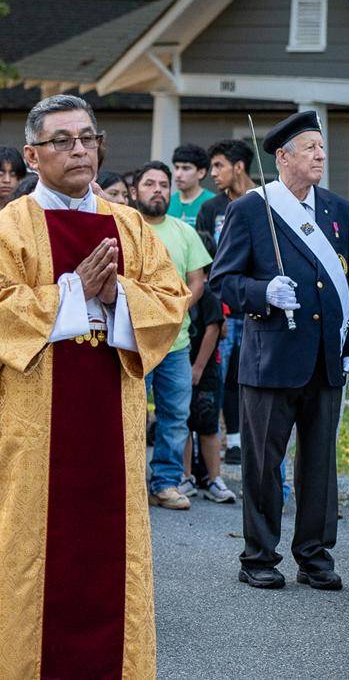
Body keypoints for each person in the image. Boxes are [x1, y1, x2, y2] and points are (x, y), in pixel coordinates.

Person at [0, 94, 189, 679]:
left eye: (87, 137)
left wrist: (118, 298)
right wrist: (74, 293)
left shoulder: (129, 226)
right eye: (62, 140)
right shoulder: (7, 230)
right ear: (32, 154)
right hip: (29, 439)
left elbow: (171, 302)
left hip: (109, 433)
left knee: (107, 564)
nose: (79, 149)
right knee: (24, 562)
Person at [209, 110, 349, 591]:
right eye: (310, 148)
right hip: (272, 359)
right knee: (262, 462)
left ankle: (315, 556)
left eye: (323, 148)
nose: (321, 156)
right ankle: (259, 554)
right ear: (282, 156)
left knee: (319, 465)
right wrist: (262, 294)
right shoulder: (253, 208)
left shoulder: (339, 211)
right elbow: (224, 281)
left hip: (325, 358)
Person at [130, 160, 210, 510]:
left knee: (175, 416)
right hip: (132, 341)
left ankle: (165, 483)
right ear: (136, 191)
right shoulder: (124, 227)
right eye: (149, 184)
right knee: (131, 415)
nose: (158, 190)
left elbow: (198, 281)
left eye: (163, 184)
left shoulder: (183, 231)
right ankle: (131, 485)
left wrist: (173, 312)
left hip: (176, 345)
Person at [197, 139, 256, 465]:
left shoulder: (266, 201)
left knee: (253, 378)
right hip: (222, 309)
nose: (214, 174)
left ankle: (248, 441)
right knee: (221, 378)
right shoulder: (211, 209)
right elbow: (207, 263)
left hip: (258, 309)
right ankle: (226, 443)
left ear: (239, 166)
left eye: (219, 166)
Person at [181, 231, 236, 503]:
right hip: (182, 363)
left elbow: (216, 329)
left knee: (208, 424)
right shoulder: (182, 286)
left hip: (205, 369)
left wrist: (199, 367)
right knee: (183, 422)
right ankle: (186, 476)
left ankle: (214, 478)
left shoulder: (209, 291)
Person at [168, 143, 215, 227]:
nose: (178, 174)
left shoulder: (213, 203)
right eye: (176, 168)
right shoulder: (167, 203)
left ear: (201, 172)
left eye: (185, 168)